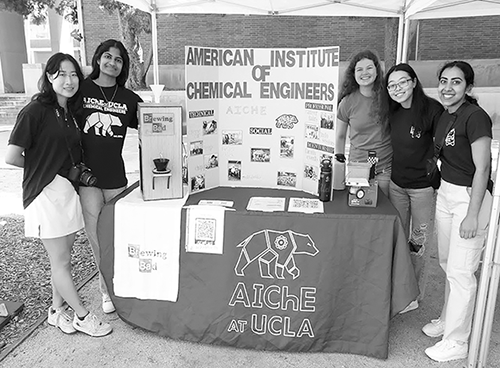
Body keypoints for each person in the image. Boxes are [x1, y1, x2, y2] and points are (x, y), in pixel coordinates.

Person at [5, 53, 112, 337]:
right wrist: (42, 166)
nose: (69, 80)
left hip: (65, 192)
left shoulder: (69, 112)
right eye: (62, 74)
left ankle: (56, 311)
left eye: (74, 74)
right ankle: (82, 315)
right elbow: (12, 156)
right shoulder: (35, 111)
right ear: (50, 77)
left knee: (63, 260)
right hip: (43, 194)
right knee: (60, 262)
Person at [422, 61, 493, 362]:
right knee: (448, 264)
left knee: (462, 273)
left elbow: (483, 168)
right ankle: (447, 319)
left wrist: (473, 214)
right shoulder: (446, 115)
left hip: (469, 198)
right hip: (446, 195)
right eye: (444, 81)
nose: (448, 87)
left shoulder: (475, 117)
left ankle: (457, 340)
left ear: (469, 87)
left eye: (456, 82)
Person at [79, 39, 142, 314]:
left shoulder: (128, 99)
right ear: (98, 59)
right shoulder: (80, 90)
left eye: (118, 60)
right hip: (87, 179)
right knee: (95, 237)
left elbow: (156, 124)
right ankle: (106, 290)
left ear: (122, 66)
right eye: (107, 56)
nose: (112, 63)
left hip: (116, 178)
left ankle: (124, 286)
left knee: (118, 235)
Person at [385, 63, 444, 313]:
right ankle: (399, 289)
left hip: (422, 189)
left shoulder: (432, 110)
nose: (397, 89)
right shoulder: (394, 111)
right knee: (398, 241)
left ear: (413, 81)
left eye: (402, 82)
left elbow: (444, 147)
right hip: (397, 185)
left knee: (417, 244)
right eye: (391, 85)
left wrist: (430, 171)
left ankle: (413, 295)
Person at [335, 49, 392, 196]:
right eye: (359, 69)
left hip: (385, 167)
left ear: (377, 71)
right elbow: (340, 136)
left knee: (383, 212)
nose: (364, 73)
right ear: (353, 74)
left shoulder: (389, 97)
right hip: (357, 167)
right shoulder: (347, 102)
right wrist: (339, 162)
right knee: (358, 208)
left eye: (369, 68)